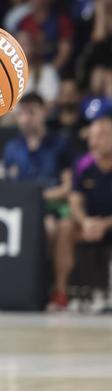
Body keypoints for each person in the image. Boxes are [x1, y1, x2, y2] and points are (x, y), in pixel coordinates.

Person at [2, 93, 74, 310]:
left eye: (32, 112)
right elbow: (7, 186)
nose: (26, 118)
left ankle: (59, 291)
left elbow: (68, 187)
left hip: (53, 206)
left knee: (58, 227)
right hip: (21, 210)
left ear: (44, 112)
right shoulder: (12, 148)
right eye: (22, 113)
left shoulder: (60, 143)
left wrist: (41, 198)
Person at [66, 115, 112, 314]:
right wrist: (85, 222)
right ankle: (66, 292)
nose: (93, 142)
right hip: (90, 223)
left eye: (101, 136)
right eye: (91, 136)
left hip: (108, 222)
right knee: (65, 228)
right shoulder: (83, 164)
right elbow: (74, 200)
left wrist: (105, 224)